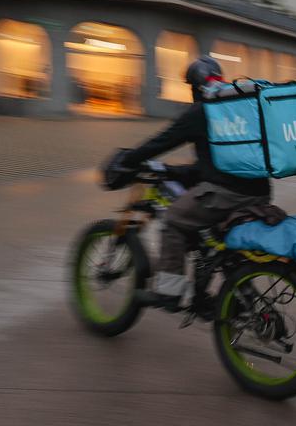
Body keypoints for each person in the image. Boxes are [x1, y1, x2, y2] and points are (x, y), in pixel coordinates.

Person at [112, 57, 271, 310]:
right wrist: (172, 170)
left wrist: (127, 159)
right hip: (259, 193)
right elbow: (212, 164)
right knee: (207, 233)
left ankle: (170, 293)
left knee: (174, 220)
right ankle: (206, 292)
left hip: (227, 194)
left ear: (193, 87)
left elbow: (161, 142)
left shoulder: (201, 111)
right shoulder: (236, 107)